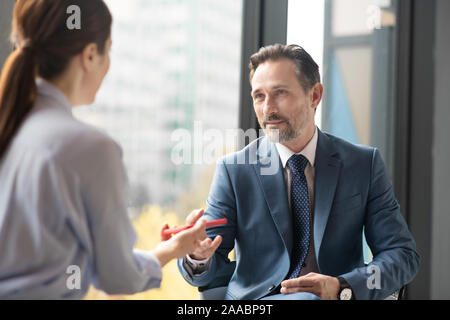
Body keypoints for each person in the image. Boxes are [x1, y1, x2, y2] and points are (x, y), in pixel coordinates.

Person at [0, 0, 208, 299]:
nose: (109, 64)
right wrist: (171, 250)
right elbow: (117, 276)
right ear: (89, 54)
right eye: (108, 49)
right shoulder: (89, 148)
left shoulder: (12, 128)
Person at [178, 44, 420, 300]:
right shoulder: (234, 170)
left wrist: (344, 286)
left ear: (315, 95)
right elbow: (207, 268)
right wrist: (198, 256)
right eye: (259, 96)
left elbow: (402, 256)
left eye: (280, 93)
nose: (268, 109)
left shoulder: (362, 164)